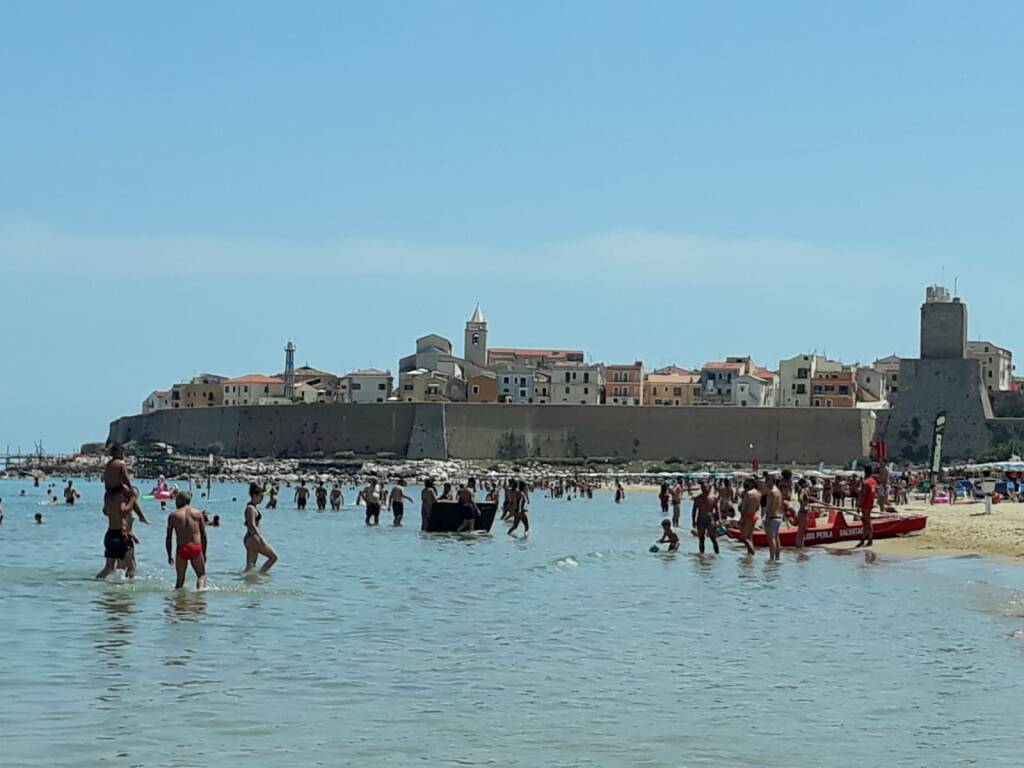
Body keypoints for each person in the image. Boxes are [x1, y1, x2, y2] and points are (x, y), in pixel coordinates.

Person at [165, 491, 207, 589]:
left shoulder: (173, 515)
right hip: (196, 547)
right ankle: (200, 594)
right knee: (201, 576)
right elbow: (203, 535)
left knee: (180, 580)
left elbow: (168, 538)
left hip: (181, 549)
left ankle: (177, 602)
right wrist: (204, 552)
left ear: (179, 501)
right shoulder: (198, 513)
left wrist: (169, 555)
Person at [244, 482, 278, 572]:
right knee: (273, 557)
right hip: (254, 538)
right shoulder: (251, 508)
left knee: (250, 568)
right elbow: (252, 524)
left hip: (250, 538)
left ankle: (249, 583)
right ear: (255, 495)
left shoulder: (251, 507)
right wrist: (260, 537)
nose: (262, 499)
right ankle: (261, 574)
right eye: (261, 496)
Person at [691, 481, 720, 554]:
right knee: (701, 539)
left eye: (706, 488)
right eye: (703, 488)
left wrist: (718, 520)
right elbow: (694, 510)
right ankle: (701, 555)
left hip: (710, 519)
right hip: (700, 519)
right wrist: (693, 521)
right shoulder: (698, 498)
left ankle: (717, 554)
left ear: (709, 489)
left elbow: (717, 510)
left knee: (713, 538)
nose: (704, 490)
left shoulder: (713, 498)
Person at [856, 466, 878, 548]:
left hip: (865, 504)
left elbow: (863, 495)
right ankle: (864, 539)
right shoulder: (873, 481)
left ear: (866, 473)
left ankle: (869, 539)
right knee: (866, 521)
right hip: (870, 503)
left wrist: (858, 505)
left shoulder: (865, 483)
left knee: (867, 522)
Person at [763, 475, 784, 561]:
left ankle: (772, 558)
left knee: (771, 539)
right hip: (778, 516)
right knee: (776, 538)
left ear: (771, 481)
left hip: (772, 516)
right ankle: (777, 557)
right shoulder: (778, 491)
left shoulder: (771, 492)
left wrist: (766, 518)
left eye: (767, 480)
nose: (765, 482)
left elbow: (769, 507)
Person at [795, 477, 812, 549]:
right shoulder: (802, 490)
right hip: (803, 512)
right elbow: (800, 498)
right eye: (806, 482)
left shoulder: (804, 490)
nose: (807, 483)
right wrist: (804, 505)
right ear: (803, 483)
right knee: (800, 531)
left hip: (803, 512)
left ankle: (801, 546)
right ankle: (799, 547)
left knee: (802, 531)